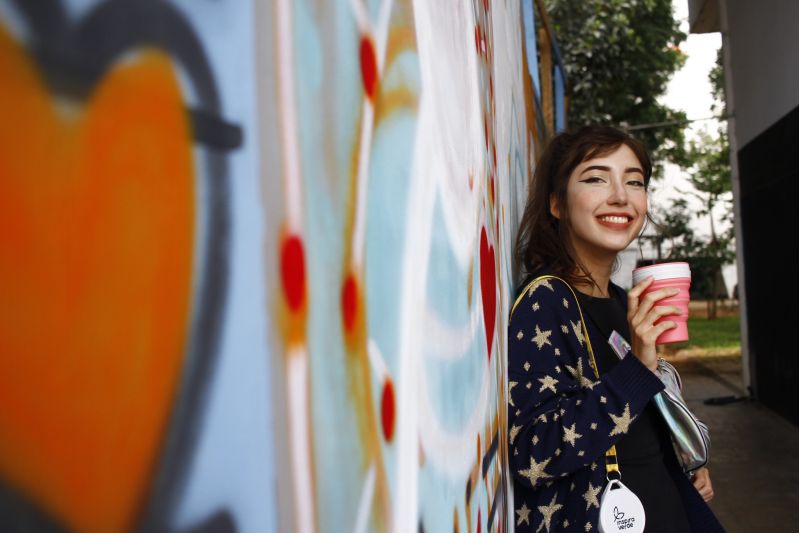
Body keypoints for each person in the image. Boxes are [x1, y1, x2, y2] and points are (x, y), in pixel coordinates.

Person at [508, 126, 723, 532]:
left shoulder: (624, 300)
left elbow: (635, 420)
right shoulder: (547, 300)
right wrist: (638, 368)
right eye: (596, 178)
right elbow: (533, 454)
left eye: (635, 181)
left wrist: (684, 455)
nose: (621, 196)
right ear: (556, 203)